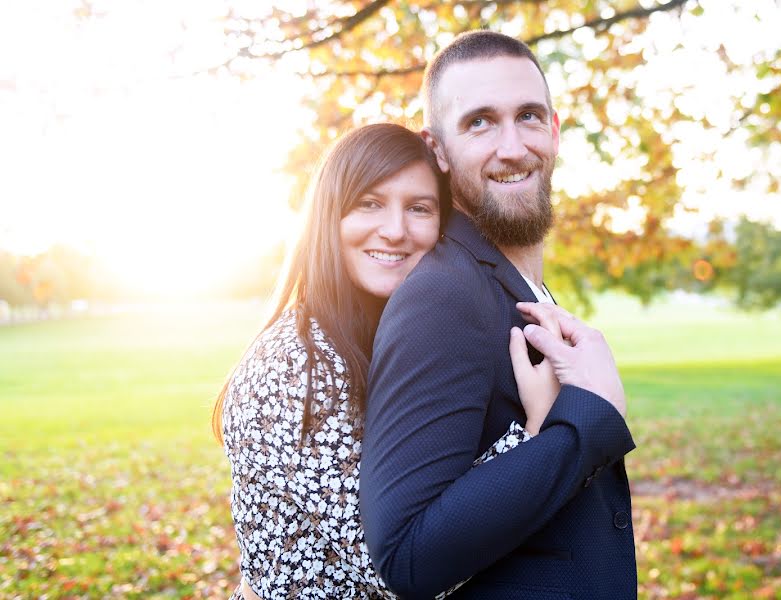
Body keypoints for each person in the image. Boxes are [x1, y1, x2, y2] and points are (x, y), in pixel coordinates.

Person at [212, 123, 564, 600]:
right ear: (328, 217)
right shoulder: (294, 363)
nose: (395, 231)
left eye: (419, 208)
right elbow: (402, 567)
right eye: (370, 204)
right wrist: (536, 438)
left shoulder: (397, 341)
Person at [360, 31, 637, 599]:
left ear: (555, 131)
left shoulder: (513, 284)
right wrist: (587, 418)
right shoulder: (441, 296)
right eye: (479, 123)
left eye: (529, 117)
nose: (511, 147)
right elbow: (406, 554)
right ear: (436, 148)